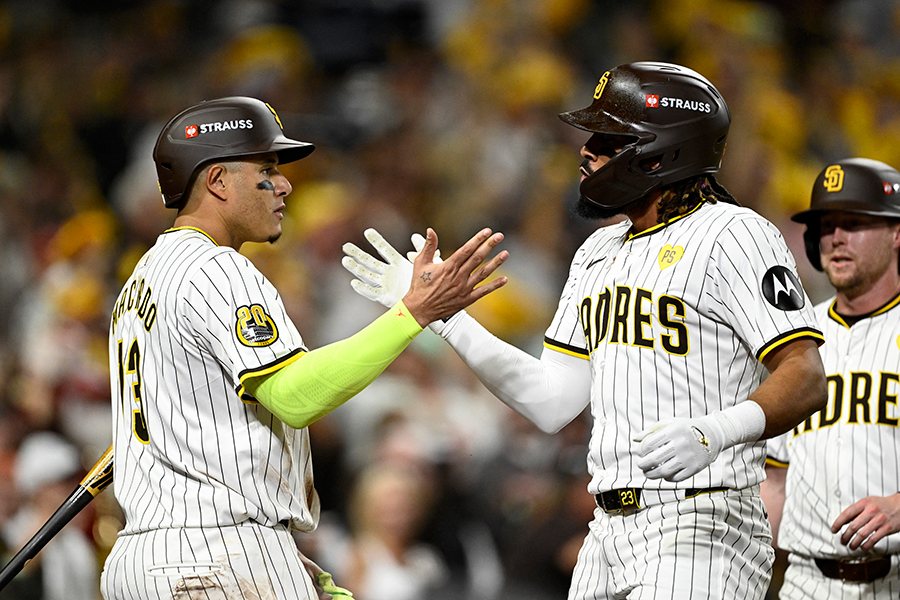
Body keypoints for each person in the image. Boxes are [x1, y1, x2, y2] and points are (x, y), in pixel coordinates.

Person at [342, 61, 828, 599]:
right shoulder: (597, 251)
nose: (586, 150)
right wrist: (445, 317)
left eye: (607, 137)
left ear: (662, 151)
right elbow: (551, 402)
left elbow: (805, 375)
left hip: (704, 519)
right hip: (607, 530)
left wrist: (715, 431)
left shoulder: (734, 234)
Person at [99, 96, 509, 600]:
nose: (286, 184)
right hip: (212, 557)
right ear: (217, 182)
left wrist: (279, 557)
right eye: (267, 169)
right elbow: (295, 396)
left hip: (151, 558)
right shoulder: (216, 268)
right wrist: (414, 312)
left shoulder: (141, 281)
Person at [761, 157, 900, 599]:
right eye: (826, 225)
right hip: (803, 584)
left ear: (898, 233)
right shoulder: (796, 344)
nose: (835, 238)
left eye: (854, 223)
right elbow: (776, 481)